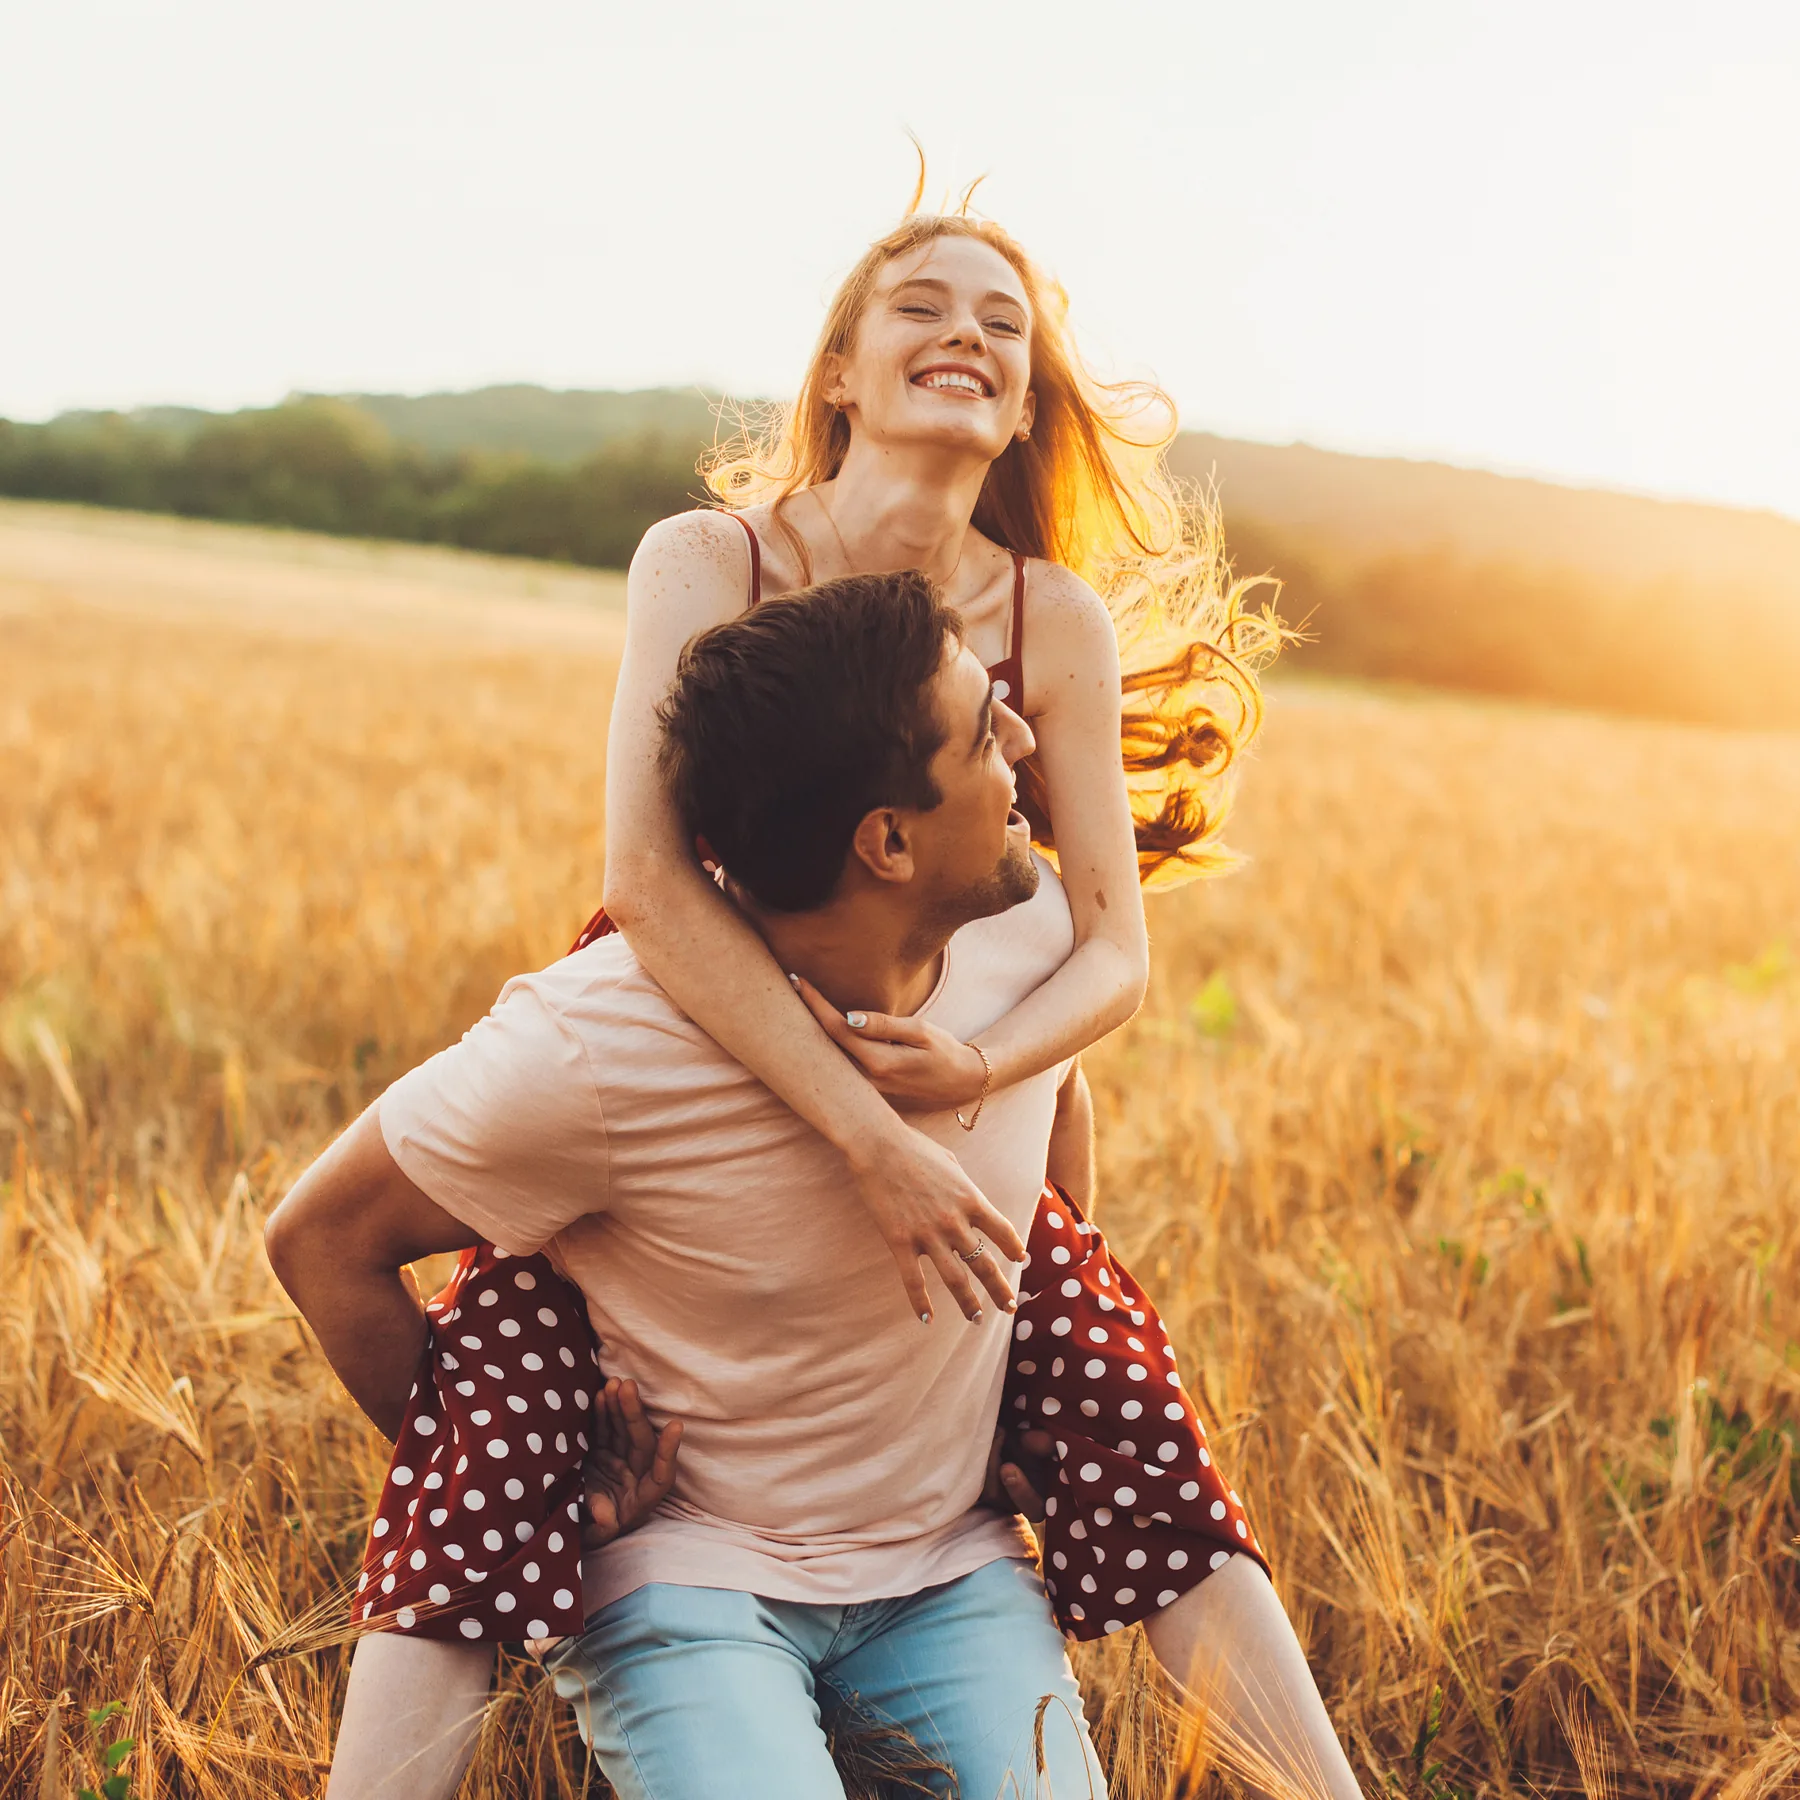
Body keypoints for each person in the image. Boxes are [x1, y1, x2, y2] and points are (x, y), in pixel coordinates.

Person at [269, 572, 1358, 1799]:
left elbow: (1057, 1105)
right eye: (978, 727)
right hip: (685, 1576)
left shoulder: (1032, 939)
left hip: (953, 1570)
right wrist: (527, 1490)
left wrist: (1014, 1362)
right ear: (888, 840)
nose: (1022, 739)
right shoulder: (590, 1046)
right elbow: (321, 1238)